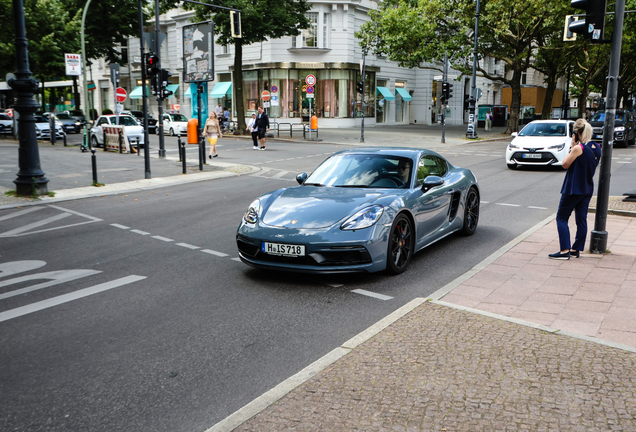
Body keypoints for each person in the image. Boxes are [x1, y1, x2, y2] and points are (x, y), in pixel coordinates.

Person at [549, 118, 601, 260]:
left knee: (561, 218)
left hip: (573, 188)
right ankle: (576, 249)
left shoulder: (579, 148)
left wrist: (572, 146)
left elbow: (565, 164)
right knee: (581, 219)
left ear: (577, 133)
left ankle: (565, 250)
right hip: (587, 188)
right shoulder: (597, 147)